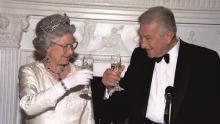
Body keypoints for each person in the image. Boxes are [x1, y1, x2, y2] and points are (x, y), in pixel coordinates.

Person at [101, 6, 220, 124]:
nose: (142, 45)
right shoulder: (140, 56)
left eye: (148, 38)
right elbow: (122, 103)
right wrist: (109, 86)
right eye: (141, 37)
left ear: (168, 36)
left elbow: (213, 110)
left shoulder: (204, 60)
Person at [18, 14, 95, 124]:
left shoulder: (79, 73)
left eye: (72, 46)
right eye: (65, 46)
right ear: (47, 46)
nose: (70, 52)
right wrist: (67, 83)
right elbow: (28, 107)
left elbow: (88, 118)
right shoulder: (30, 71)